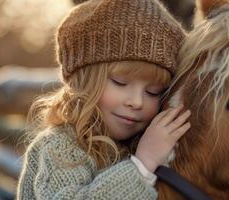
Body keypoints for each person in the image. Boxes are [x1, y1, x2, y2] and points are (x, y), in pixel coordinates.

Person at [16, 0, 187, 199]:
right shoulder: (60, 146)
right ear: (83, 81)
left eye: (153, 92)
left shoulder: (145, 143)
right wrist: (141, 166)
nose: (137, 102)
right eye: (120, 82)